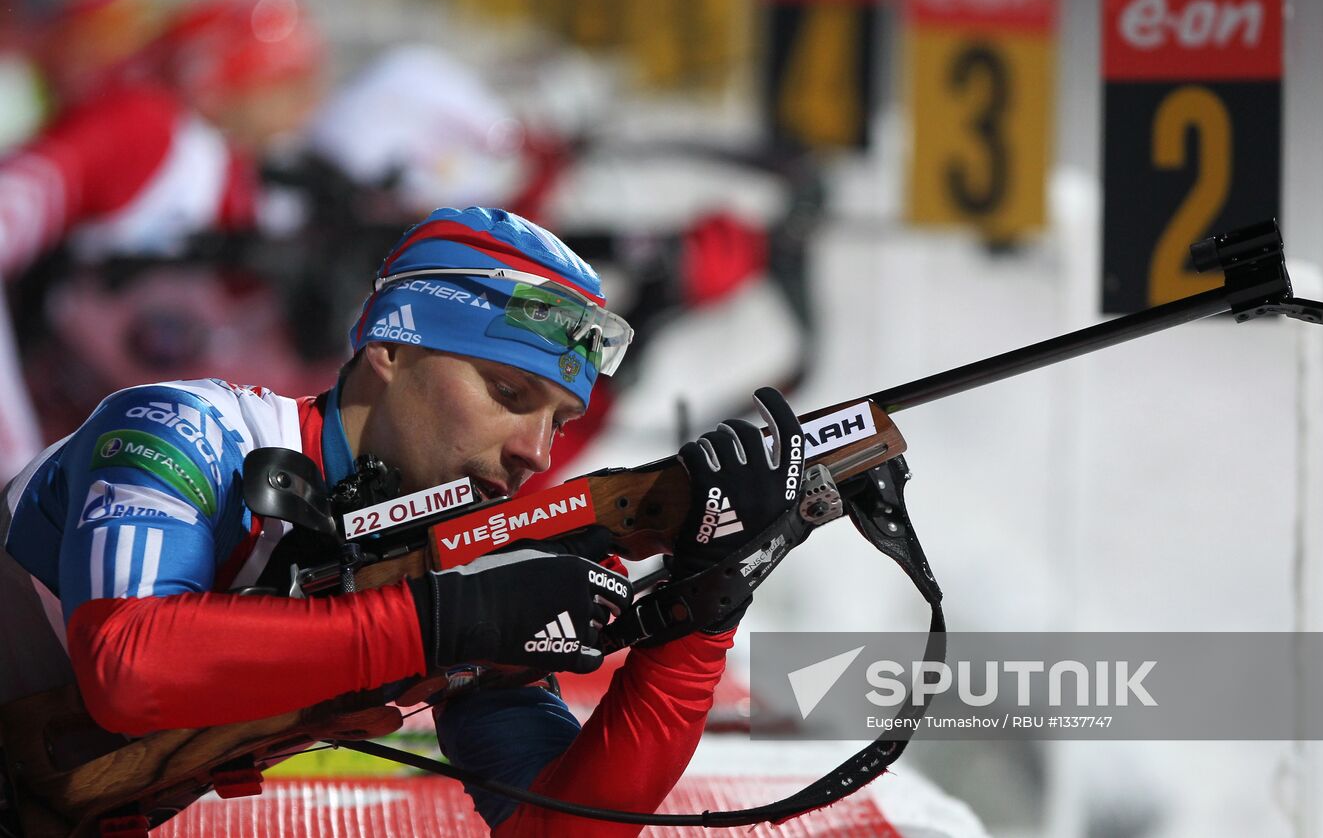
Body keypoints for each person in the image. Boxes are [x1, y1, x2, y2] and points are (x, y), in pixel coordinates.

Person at [0, 206, 809, 836]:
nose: (533, 452)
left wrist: (699, 615)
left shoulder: (442, 553)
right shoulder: (181, 427)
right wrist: (440, 623)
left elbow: (555, 826)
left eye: (558, 423)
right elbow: (125, 666)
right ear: (391, 348)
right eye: (507, 393)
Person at [0, 0, 323, 481]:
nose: (306, 107)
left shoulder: (263, 181)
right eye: (285, 83)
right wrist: (13, 461)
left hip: (187, 478)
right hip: (68, 480)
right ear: (217, 80)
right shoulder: (148, 129)